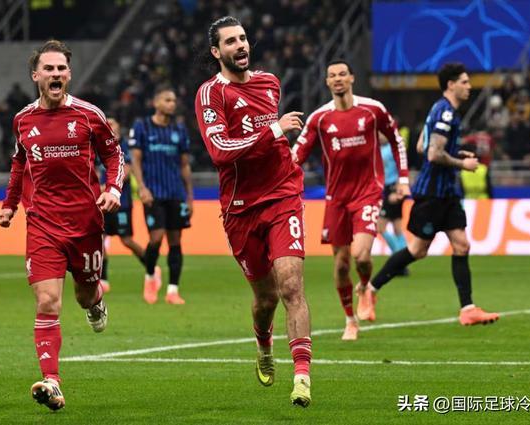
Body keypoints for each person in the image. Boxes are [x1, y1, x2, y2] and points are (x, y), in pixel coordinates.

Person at [0, 40, 124, 411]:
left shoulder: (88, 115)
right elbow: (19, 164)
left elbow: (114, 154)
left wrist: (113, 189)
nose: (55, 74)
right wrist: (9, 206)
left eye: (61, 68)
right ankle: (52, 381)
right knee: (48, 301)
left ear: (69, 74)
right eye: (48, 69)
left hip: (85, 222)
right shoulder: (23, 120)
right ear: (36, 75)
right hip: (43, 224)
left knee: (84, 295)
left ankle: (95, 302)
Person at [194, 16, 312, 407]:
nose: (241, 45)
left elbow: (267, 145)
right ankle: (264, 343)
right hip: (241, 208)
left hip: (283, 196)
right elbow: (219, 151)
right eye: (230, 41)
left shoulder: (269, 83)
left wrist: (279, 144)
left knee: (291, 285)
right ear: (216, 51)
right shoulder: (211, 94)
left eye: (243, 38)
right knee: (266, 299)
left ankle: (302, 377)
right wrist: (273, 131)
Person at [364, 63, 499, 326]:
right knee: (417, 250)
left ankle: (468, 309)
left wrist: (456, 153)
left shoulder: (439, 110)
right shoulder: (446, 113)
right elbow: (433, 154)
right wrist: (462, 163)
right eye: (464, 82)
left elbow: (421, 145)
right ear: (451, 84)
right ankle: (370, 289)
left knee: (462, 244)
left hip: (447, 192)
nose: (469, 86)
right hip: (433, 193)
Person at [291, 60, 409, 341]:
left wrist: (403, 178)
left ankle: (366, 286)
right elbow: (296, 156)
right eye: (332, 75)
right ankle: (350, 320)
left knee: (361, 255)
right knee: (342, 264)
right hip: (336, 198)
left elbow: (396, 140)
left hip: (368, 191)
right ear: (327, 82)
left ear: (352, 78)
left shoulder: (372, 109)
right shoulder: (319, 118)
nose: (338, 79)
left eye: (342, 74)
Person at [130, 85, 193, 305]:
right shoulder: (142, 126)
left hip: (175, 192)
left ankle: (173, 290)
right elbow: (136, 160)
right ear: (156, 103)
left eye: (173, 100)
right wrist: (142, 187)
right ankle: (150, 277)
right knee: (156, 238)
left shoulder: (179, 130)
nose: (172, 104)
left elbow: (184, 165)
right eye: (167, 100)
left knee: (175, 241)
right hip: (153, 193)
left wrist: (189, 196)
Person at [98, 117, 159, 292]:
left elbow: (125, 171)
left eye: (113, 124)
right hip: (101, 201)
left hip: (121, 202)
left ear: (119, 128)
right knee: (99, 239)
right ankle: (103, 280)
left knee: (126, 240)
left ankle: (151, 267)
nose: (110, 127)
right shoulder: (97, 146)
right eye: (107, 124)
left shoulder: (123, 146)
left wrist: (106, 188)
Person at [378, 138, 409, 274]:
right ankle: (403, 262)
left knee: (380, 227)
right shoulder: (382, 148)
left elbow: (401, 169)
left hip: (393, 189)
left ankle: (398, 259)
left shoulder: (393, 149)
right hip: (385, 189)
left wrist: (397, 191)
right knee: (397, 228)